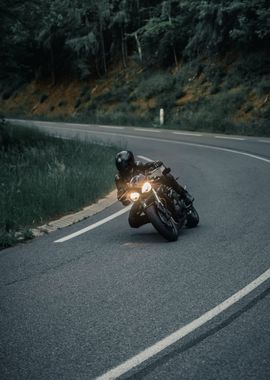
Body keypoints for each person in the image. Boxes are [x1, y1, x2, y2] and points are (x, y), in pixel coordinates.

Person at [115, 150, 194, 228]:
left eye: (126, 165)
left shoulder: (138, 165)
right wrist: (123, 197)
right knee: (132, 221)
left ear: (131, 162)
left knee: (166, 177)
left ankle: (184, 195)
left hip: (149, 186)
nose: (124, 168)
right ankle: (154, 217)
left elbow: (147, 165)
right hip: (140, 198)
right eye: (121, 167)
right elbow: (120, 192)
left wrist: (155, 164)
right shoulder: (119, 178)